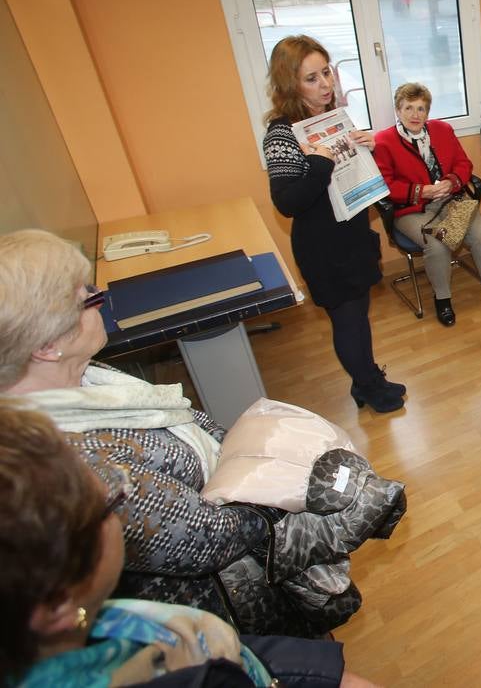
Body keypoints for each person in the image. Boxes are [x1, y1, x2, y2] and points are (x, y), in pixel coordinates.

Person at [0, 229, 400, 639]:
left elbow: (187, 417)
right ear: (47, 345)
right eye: (86, 297)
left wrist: (265, 462)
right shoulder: (73, 466)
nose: (99, 296)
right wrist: (301, 493)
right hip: (220, 614)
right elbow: (207, 540)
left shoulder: (88, 376)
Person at [0, 401, 376, 687]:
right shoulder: (174, 673)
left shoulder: (116, 622)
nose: (124, 496)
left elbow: (238, 649)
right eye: (109, 504)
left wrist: (323, 669)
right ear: (57, 605)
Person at [261, 35, 404, 413]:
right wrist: (320, 164)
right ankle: (370, 388)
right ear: (290, 83)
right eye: (312, 78)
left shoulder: (332, 117)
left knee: (360, 316)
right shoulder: (281, 134)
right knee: (347, 321)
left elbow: (351, 179)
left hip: (352, 234)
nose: (325, 84)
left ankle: (367, 379)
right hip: (322, 245)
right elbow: (287, 202)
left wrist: (366, 149)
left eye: (326, 72)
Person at [373, 82, 481, 327]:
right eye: (408, 108)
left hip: (452, 200)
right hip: (412, 210)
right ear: (398, 110)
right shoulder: (384, 141)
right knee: (437, 244)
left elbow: (463, 164)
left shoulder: (442, 130)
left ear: (427, 112)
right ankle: (443, 300)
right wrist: (422, 191)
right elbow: (386, 186)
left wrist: (452, 181)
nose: (415, 115)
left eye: (421, 109)